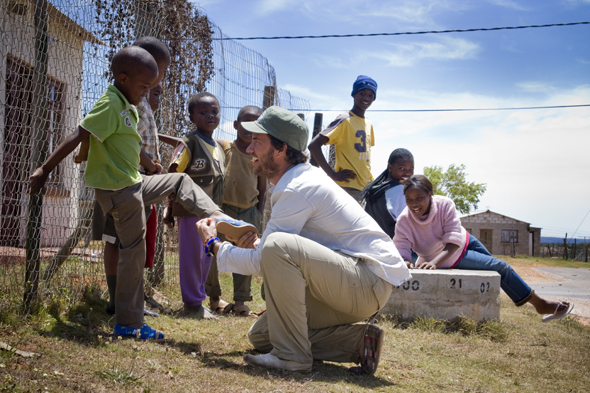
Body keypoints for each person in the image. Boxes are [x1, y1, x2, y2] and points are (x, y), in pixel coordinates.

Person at [29, 46, 226, 341]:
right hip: (119, 191)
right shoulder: (110, 104)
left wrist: (151, 165)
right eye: (144, 87)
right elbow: (79, 134)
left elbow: (123, 144)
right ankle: (129, 322)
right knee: (133, 253)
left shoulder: (126, 105)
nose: (147, 93)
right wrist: (44, 170)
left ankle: (219, 216)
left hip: (134, 183)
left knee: (179, 181)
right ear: (123, 78)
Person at [196, 106, 411, 373]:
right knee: (262, 336)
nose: (250, 149)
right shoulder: (294, 181)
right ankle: (357, 342)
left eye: (257, 142)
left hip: (367, 283)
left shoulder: (299, 186)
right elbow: (279, 251)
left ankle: (292, 357)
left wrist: (214, 246)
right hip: (352, 283)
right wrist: (256, 245)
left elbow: (271, 256)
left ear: (281, 149)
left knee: (276, 248)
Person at [393, 175, 574, 322]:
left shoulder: (444, 204)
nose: (414, 203)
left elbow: (454, 238)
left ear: (430, 195)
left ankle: (528, 300)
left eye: (419, 198)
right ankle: (540, 304)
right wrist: (407, 261)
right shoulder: (404, 220)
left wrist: (433, 262)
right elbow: (401, 245)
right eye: (409, 199)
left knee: (494, 271)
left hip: (462, 243)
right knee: (501, 267)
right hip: (449, 258)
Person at [165, 92, 225, 320]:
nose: (210, 115)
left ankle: (198, 300)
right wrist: (169, 208)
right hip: (190, 212)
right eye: (203, 112)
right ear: (192, 117)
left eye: (215, 111)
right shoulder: (189, 143)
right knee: (192, 256)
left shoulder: (217, 147)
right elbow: (173, 174)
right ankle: (192, 303)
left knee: (206, 254)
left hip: (211, 213)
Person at [210, 105, 266, 317]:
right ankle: (214, 298)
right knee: (214, 253)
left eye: (256, 124)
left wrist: (258, 213)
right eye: (245, 123)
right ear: (235, 125)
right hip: (224, 210)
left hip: (249, 211)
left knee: (245, 255)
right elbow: (199, 143)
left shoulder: (259, 155)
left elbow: (262, 188)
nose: (249, 128)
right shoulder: (225, 146)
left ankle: (241, 301)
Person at [308, 75, 378, 202]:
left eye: (370, 95)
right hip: (348, 187)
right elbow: (314, 145)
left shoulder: (368, 123)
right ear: (354, 94)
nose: (366, 98)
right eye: (362, 93)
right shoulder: (344, 120)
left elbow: (364, 158)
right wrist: (332, 174)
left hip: (364, 187)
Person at [362, 148, 414, 238]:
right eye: (401, 168)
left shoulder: (375, 189)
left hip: (371, 243)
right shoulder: (399, 190)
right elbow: (410, 226)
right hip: (394, 247)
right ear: (390, 167)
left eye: (411, 169)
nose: (407, 173)